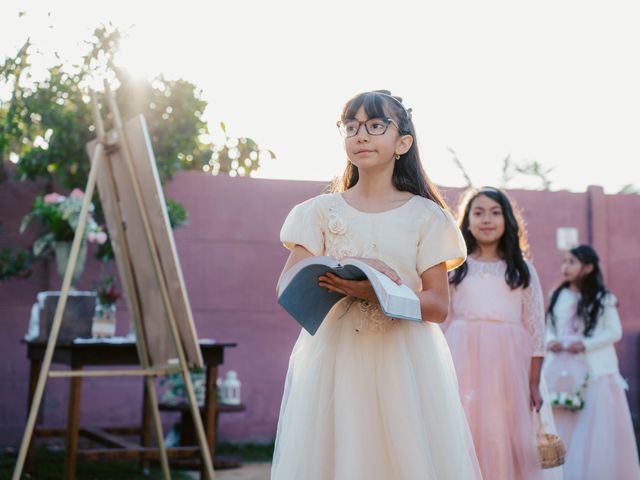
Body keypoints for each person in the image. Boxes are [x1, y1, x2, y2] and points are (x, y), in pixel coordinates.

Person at [271, 90, 482, 479]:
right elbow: (287, 284)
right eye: (351, 126)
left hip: (403, 360)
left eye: (374, 125)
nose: (361, 135)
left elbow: (437, 305)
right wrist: (348, 268)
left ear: (402, 142)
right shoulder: (318, 212)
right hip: (335, 359)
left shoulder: (427, 217)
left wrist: (379, 289)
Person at [443, 186, 561, 480]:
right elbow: (442, 320)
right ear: (466, 220)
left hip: (509, 366)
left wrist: (533, 383)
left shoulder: (521, 270)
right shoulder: (455, 268)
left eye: (495, 213)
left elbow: (536, 330)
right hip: (463, 359)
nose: (487, 219)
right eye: (478, 212)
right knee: (466, 425)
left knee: (502, 429)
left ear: (508, 220)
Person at [544, 244, 640, 480]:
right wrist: (552, 340)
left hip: (593, 372)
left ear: (587, 268)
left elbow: (613, 331)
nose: (565, 267)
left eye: (572, 262)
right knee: (562, 421)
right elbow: (548, 327)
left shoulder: (603, 298)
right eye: (564, 262)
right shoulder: (559, 295)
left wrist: (585, 344)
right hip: (561, 371)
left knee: (591, 427)